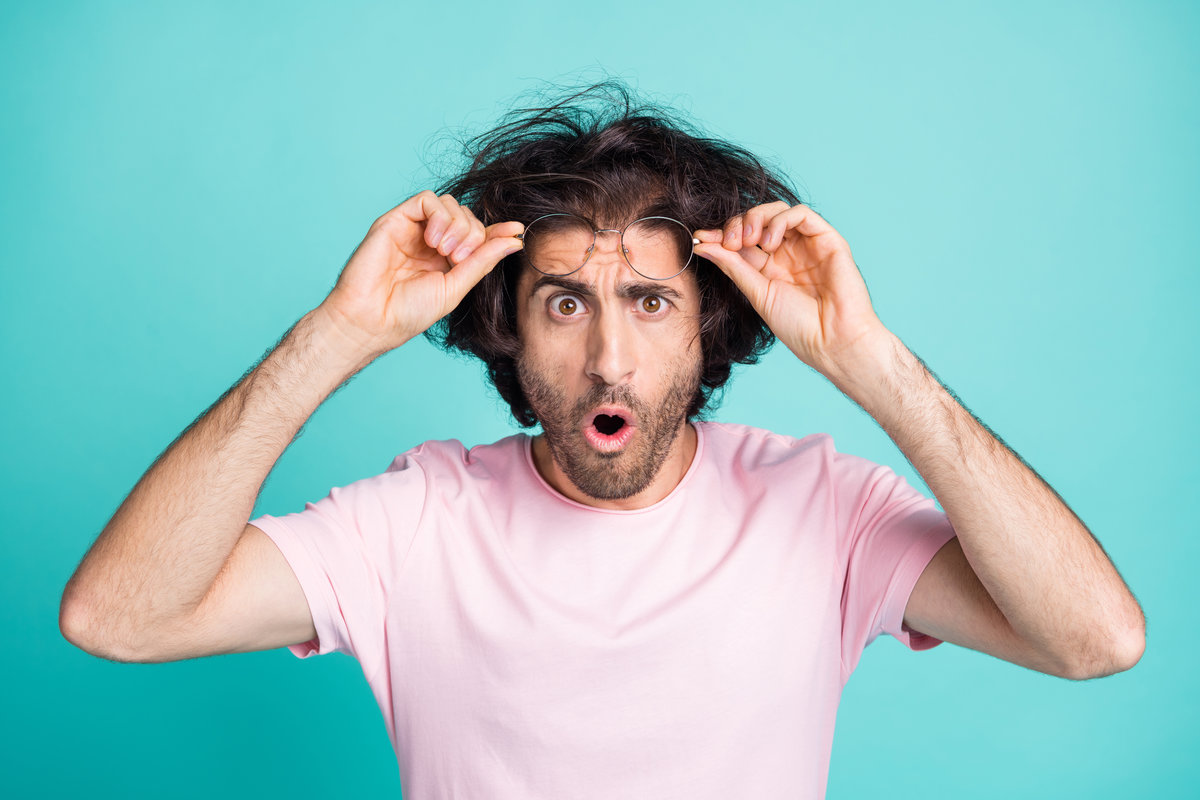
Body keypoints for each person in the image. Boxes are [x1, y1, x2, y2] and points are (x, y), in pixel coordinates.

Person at [60, 82, 1145, 799]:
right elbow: (118, 616)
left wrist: (869, 360)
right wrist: (335, 335)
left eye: (651, 302)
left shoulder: (825, 508)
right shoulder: (414, 523)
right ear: (509, 323)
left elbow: (1095, 638)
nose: (611, 360)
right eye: (567, 303)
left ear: (707, 321)